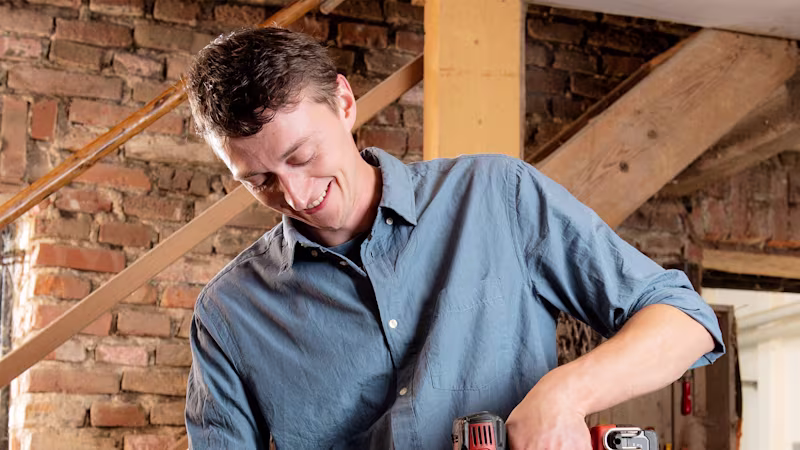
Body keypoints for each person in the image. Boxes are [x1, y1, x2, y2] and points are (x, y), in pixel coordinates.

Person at [184, 27, 724, 450]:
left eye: (302, 156)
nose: (297, 196)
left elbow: (685, 321)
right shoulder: (228, 314)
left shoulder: (497, 194)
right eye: (260, 181)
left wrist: (565, 393)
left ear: (345, 103)